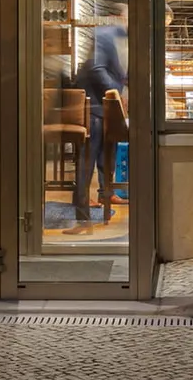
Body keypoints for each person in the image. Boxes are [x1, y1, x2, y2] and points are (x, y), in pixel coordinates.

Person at [65, 20, 129, 234]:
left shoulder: (123, 39)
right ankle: (82, 219)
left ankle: (105, 195)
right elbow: (97, 68)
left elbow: (120, 72)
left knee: (104, 158)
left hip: (104, 108)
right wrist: (116, 92)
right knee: (86, 163)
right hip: (93, 106)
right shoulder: (106, 34)